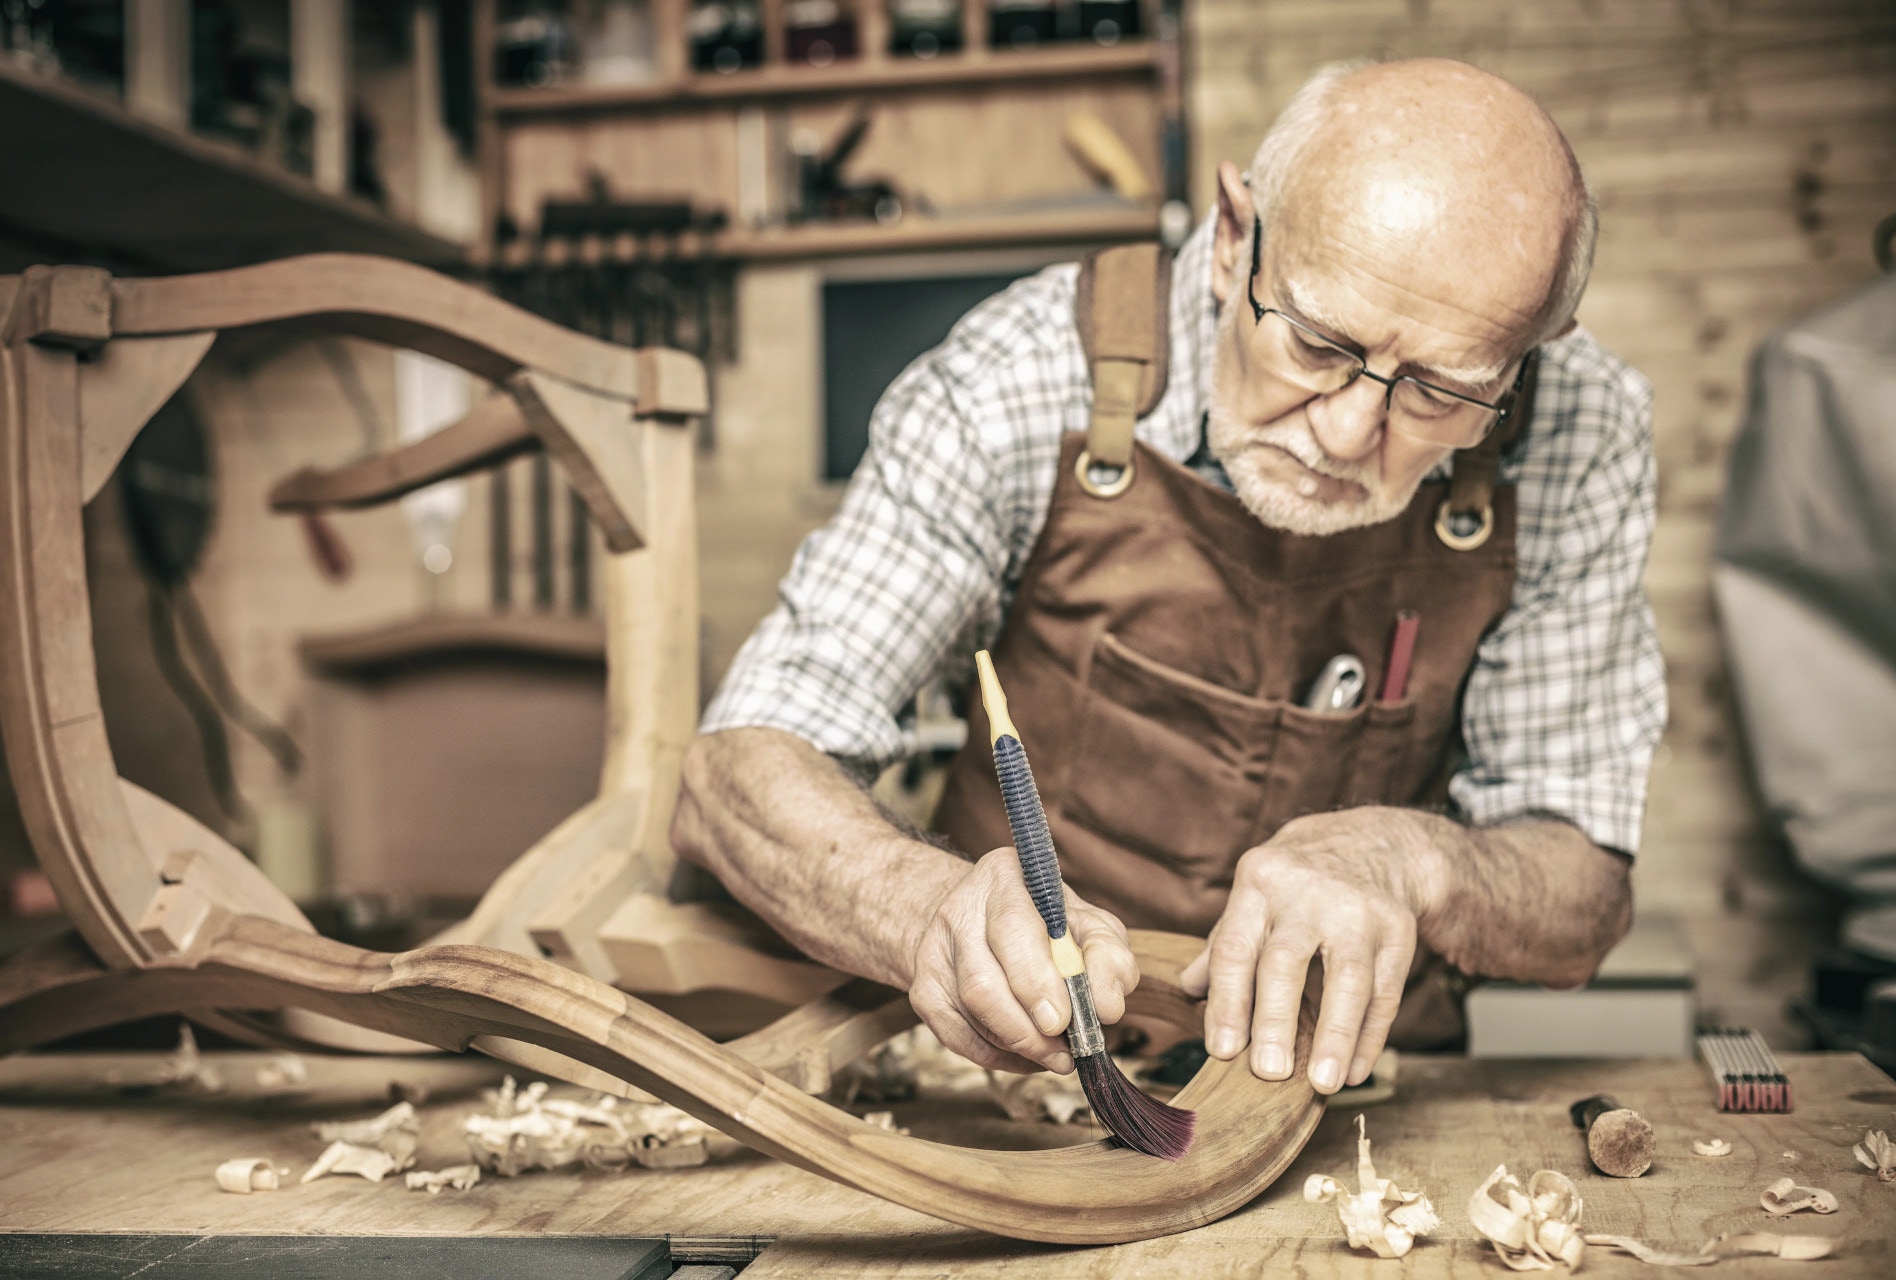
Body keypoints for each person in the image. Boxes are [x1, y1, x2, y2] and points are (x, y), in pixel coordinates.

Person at [670, 57, 1666, 1098]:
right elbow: (734, 770)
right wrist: (924, 909)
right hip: (1012, 1079)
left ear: (1523, 362)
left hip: (1358, 1092)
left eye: (1437, 393)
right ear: (1235, 236)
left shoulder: (1578, 427)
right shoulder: (1024, 374)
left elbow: (1584, 893)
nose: (1346, 429)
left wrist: (1417, 860)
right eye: (1320, 344)